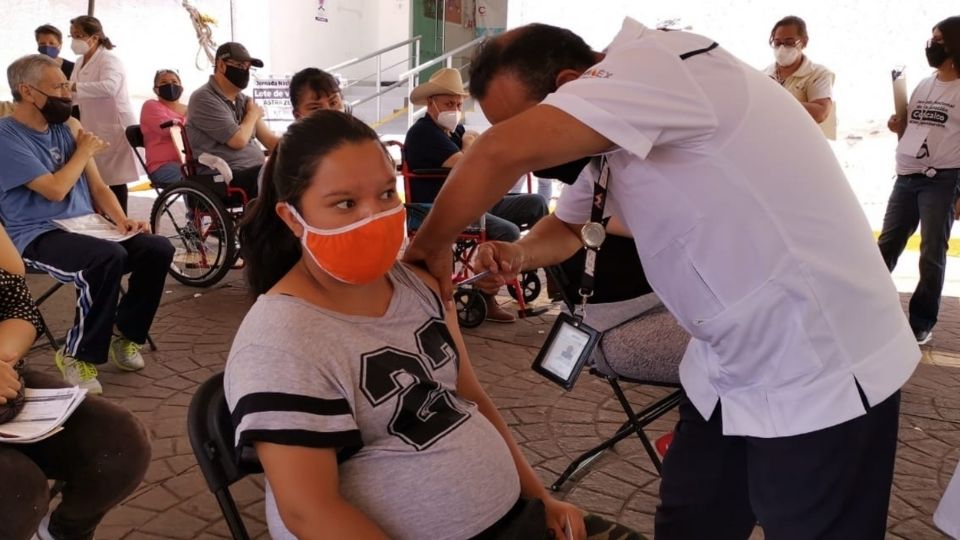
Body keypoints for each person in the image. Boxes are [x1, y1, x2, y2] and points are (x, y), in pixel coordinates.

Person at [403, 21, 920, 539]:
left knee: (811, 526)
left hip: (817, 361)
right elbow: (567, 226)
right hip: (725, 364)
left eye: (531, 124)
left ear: (569, 84)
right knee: (692, 519)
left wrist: (425, 252)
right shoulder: (614, 128)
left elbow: (499, 150)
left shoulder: (662, 64)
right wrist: (517, 252)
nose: (538, 150)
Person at [227, 111, 641, 540]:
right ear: (293, 218)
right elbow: (309, 512)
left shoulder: (418, 285)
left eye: (387, 193)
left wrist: (541, 499)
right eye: (346, 203)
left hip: (514, 521)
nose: (374, 216)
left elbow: (469, 397)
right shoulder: (281, 342)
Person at [0, 54, 175, 395]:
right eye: (59, 87)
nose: (68, 94)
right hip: (36, 234)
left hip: (87, 226)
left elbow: (98, 187)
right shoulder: (6, 137)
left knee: (157, 247)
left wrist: (122, 220)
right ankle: (76, 354)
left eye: (68, 85)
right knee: (104, 257)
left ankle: (127, 335)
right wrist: (82, 152)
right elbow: (54, 190)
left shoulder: (66, 128)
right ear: (28, 91)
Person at [0, 223, 150, 540]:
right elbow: (54, 190)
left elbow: (19, 307)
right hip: (44, 235)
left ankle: (60, 534)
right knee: (16, 492)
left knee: (121, 441)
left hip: (5, 379)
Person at [404, 67, 548, 322]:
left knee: (536, 203)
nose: (455, 109)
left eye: (458, 103)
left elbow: (483, 156)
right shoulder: (423, 132)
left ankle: (547, 273)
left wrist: (471, 143)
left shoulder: (454, 131)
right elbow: (469, 164)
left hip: (476, 202)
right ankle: (488, 296)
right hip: (441, 209)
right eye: (449, 103)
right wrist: (471, 144)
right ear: (431, 102)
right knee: (507, 232)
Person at [879, 16, 960, 347]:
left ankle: (921, 321)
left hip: (941, 181)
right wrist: (898, 124)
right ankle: (865, 308)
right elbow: (913, 127)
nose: (932, 44)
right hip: (906, 178)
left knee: (931, 253)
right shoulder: (925, 84)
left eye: (938, 39)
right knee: (887, 245)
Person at [186, 42, 278, 199]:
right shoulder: (203, 98)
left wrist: (301, 147)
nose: (246, 72)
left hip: (252, 171)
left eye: (249, 68)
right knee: (279, 178)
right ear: (221, 65)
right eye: (241, 66)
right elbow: (238, 140)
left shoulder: (243, 101)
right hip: (225, 177)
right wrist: (253, 115)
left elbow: (270, 140)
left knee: (295, 171)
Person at [67, 15, 140, 213]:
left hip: (114, 126)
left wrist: (73, 86)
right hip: (93, 124)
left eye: (79, 35)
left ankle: (122, 219)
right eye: (72, 35)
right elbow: (74, 94)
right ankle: (104, 219)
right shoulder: (79, 62)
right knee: (96, 178)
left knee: (116, 180)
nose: (74, 41)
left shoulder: (109, 60)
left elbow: (110, 87)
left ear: (95, 37)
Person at [763, 16, 836, 139]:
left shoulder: (818, 74)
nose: (782, 48)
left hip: (803, 144)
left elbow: (820, 113)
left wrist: (776, 101)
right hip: (770, 142)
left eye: (789, 42)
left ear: (804, 42)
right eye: (777, 43)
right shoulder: (763, 76)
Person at [140, 69, 187, 186]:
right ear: (155, 89)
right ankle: (195, 205)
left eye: (174, 82)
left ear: (181, 87)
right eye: (164, 82)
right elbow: (169, 129)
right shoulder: (151, 106)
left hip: (187, 162)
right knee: (192, 176)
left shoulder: (190, 109)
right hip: (161, 167)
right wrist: (188, 118)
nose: (170, 85)